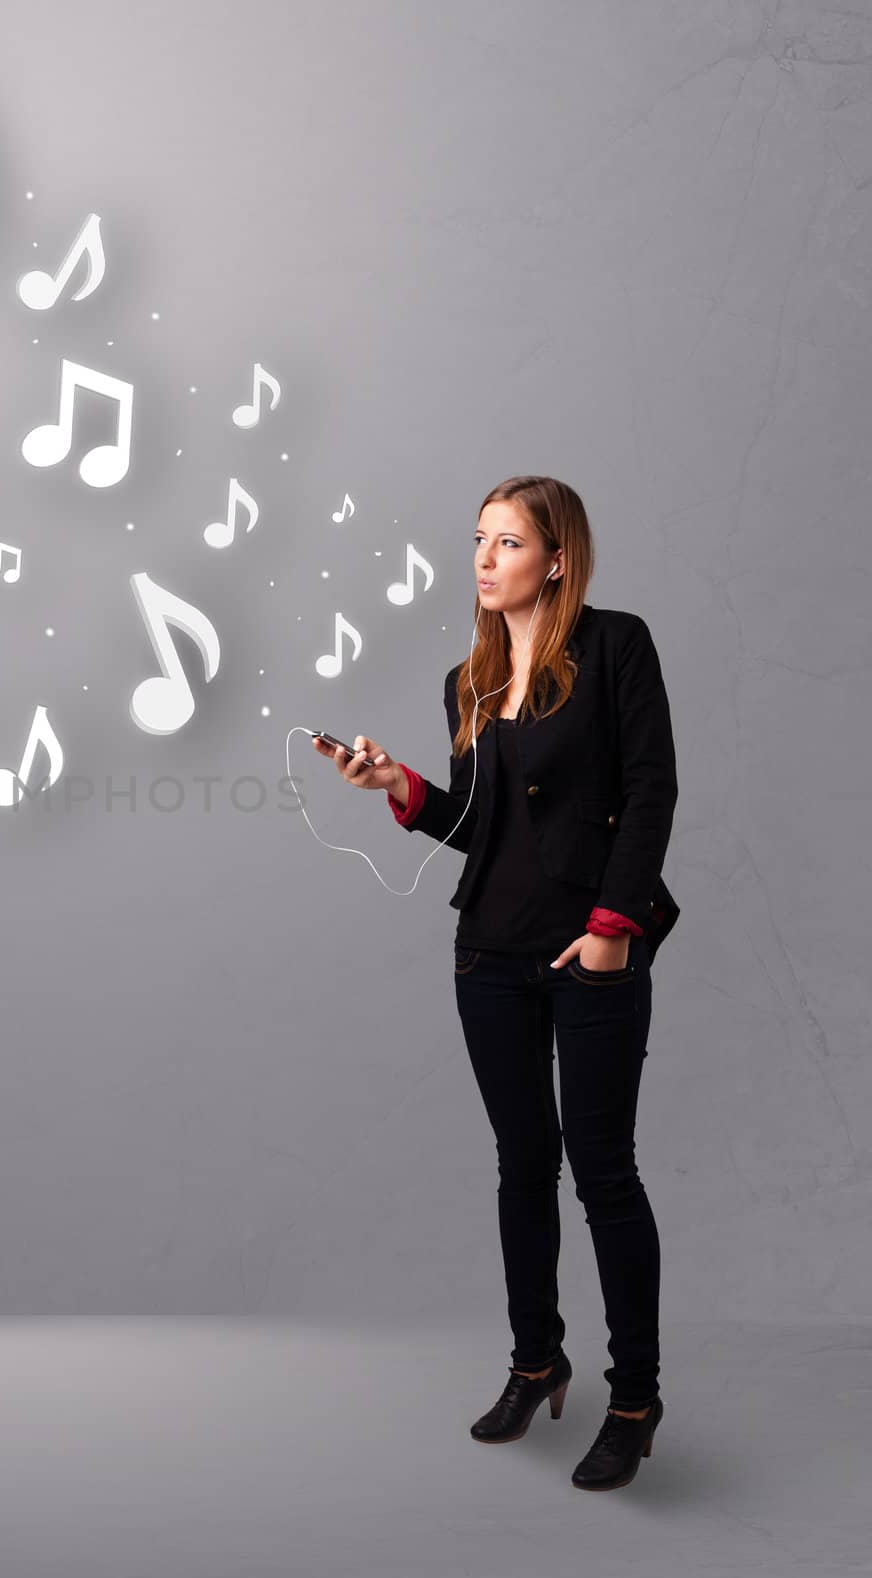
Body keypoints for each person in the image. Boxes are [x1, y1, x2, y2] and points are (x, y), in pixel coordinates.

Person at [314, 475, 678, 1492]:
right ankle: (535, 1360)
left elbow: (652, 790)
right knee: (523, 1166)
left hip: (588, 949)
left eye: (505, 541)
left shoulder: (615, 647)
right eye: (476, 539)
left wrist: (612, 929)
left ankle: (636, 1400)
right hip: (490, 954)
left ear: (553, 559)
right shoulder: (466, 677)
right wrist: (397, 787)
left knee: (603, 1172)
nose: (481, 557)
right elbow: (481, 824)